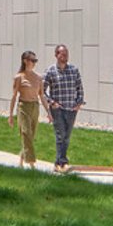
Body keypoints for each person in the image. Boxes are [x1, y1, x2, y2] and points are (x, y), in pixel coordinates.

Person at [41, 43, 84, 173]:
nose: (65, 56)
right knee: (61, 135)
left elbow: (80, 88)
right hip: (57, 108)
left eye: (66, 53)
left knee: (67, 136)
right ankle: (62, 162)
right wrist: (51, 102)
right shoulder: (50, 71)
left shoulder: (74, 70)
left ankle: (58, 163)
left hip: (71, 108)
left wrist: (79, 102)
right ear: (56, 55)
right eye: (62, 53)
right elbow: (42, 91)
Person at [7, 50, 44, 169]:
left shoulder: (38, 77)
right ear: (25, 61)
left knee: (31, 136)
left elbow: (42, 95)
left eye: (35, 61)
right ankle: (32, 163)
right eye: (32, 60)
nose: (34, 63)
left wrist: (49, 112)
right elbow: (13, 96)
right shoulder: (19, 77)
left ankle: (21, 162)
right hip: (23, 107)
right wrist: (11, 115)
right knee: (26, 133)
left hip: (35, 106)